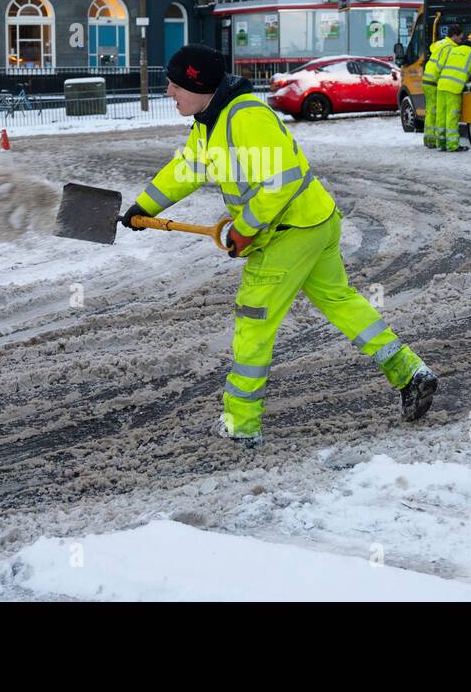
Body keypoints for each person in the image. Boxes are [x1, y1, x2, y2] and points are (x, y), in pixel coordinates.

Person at [122, 44, 439, 446]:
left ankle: (241, 426)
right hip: (313, 223)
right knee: (341, 301)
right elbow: (186, 169)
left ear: (197, 84)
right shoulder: (210, 120)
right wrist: (143, 206)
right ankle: (411, 373)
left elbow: (281, 181)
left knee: (253, 321)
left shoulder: (246, 117)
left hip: (289, 231)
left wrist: (246, 229)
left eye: (174, 84)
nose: (169, 92)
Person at [421, 23, 451, 148]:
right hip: (434, 82)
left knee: (430, 112)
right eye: (460, 38)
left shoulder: (441, 44)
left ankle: (428, 139)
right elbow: (440, 66)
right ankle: (432, 141)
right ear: (454, 36)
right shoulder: (449, 47)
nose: (461, 41)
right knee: (434, 112)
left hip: (427, 79)